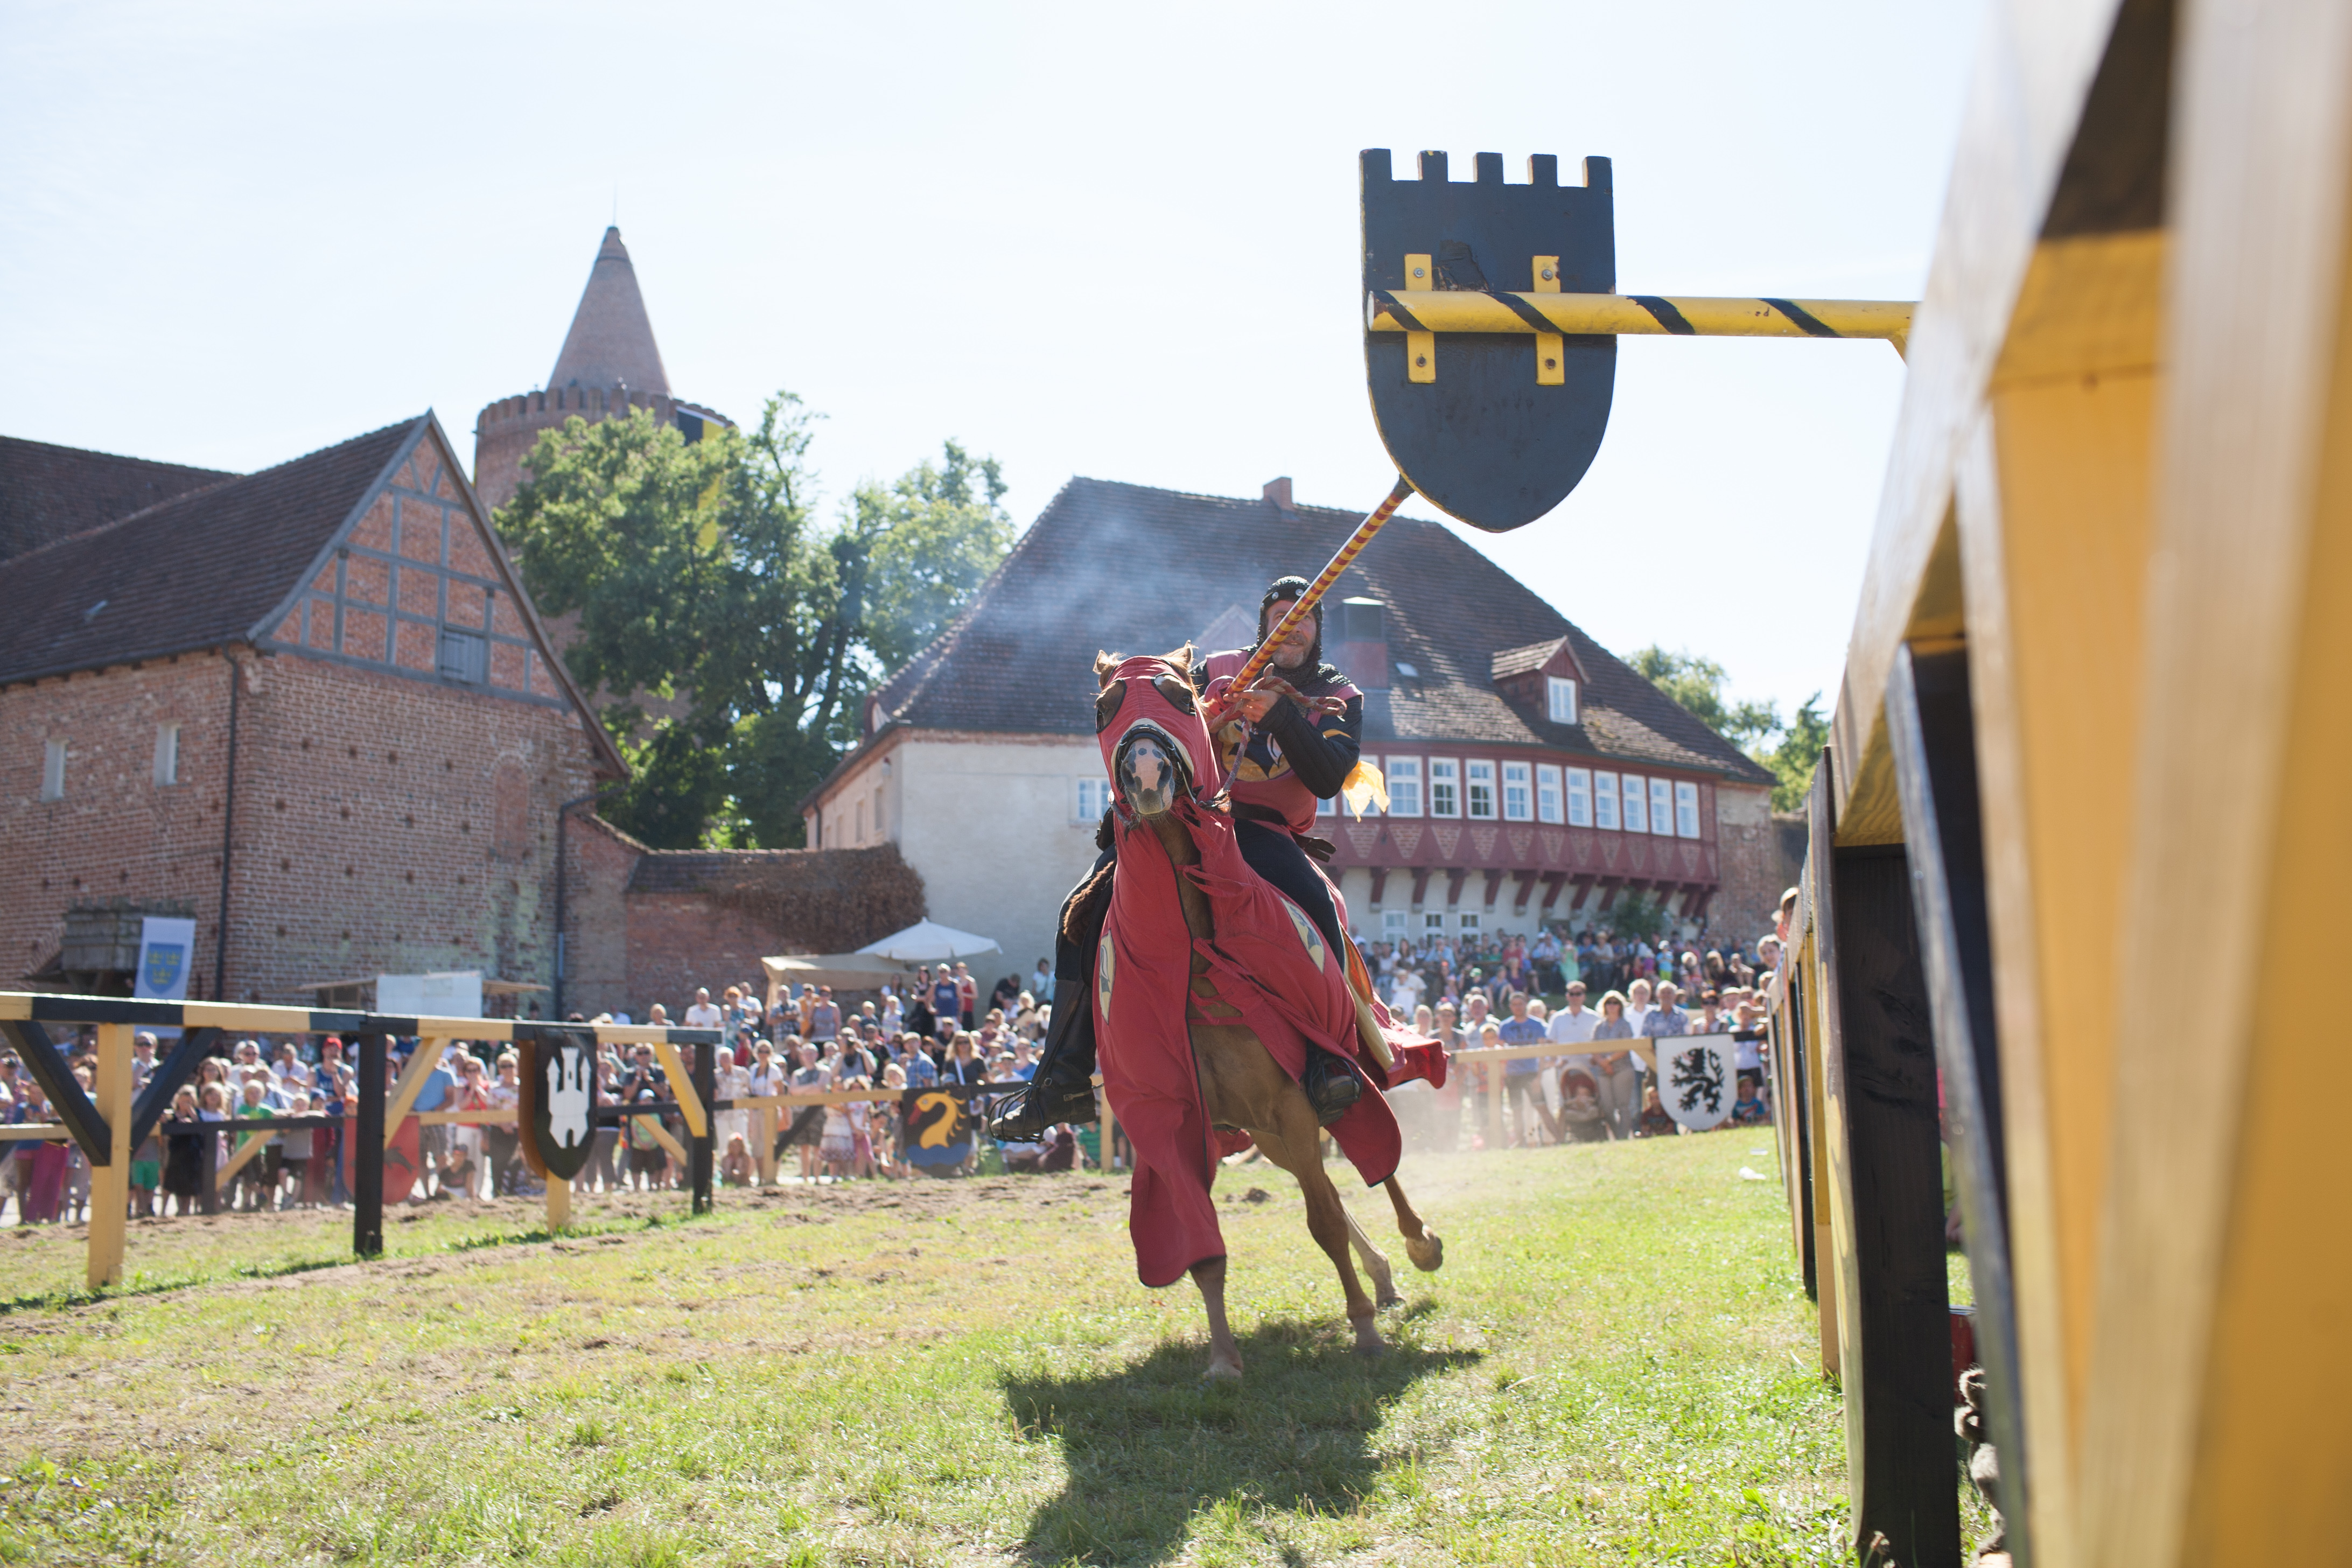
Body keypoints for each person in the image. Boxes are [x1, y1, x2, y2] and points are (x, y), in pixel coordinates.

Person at [991, 572, 1369, 1140]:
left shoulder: (1339, 694)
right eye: (1282, 616)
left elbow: (1328, 777)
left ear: (1318, 631)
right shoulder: (1216, 668)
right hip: (1187, 815)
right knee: (1081, 910)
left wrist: (1281, 716)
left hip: (1262, 830)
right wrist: (1199, 721)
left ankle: (1330, 1057)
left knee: (1317, 902)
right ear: (1264, 623)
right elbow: (1153, 720)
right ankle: (1062, 1077)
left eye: (1305, 619)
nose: (1293, 627)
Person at [1495, 992, 1552, 1146]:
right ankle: (1521, 1142)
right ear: (1510, 1007)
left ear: (1526, 1005)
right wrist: (1503, 1073)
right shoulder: (1505, 1026)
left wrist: (1539, 1077)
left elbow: (1542, 1052)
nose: (1518, 1007)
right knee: (1517, 1110)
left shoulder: (1537, 1024)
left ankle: (1557, 1139)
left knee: (1542, 1107)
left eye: (1520, 1004)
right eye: (1515, 1004)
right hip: (1513, 1074)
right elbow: (1499, 1051)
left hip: (1532, 1072)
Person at [1589, 991, 1640, 1140]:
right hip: (1603, 1070)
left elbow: (1626, 1047)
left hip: (1623, 1068)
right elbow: (1593, 1047)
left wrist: (1609, 1060)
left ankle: (1623, 1137)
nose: (1612, 1006)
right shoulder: (1599, 1026)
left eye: (1615, 1003)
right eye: (1609, 1003)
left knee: (1623, 1105)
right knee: (1607, 1107)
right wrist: (1603, 1063)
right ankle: (1617, 1136)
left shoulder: (1625, 1025)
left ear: (1620, 1006)